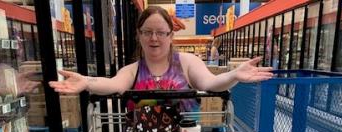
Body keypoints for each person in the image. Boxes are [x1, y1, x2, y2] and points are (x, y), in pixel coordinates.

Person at [49, 6, 273, 111]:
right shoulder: (131, 70)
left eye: (161, 32)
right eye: (147, 32)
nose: (154, 38)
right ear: (139, 35)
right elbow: (112, 84)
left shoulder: (187, 63)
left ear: (170, 35)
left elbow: (210, 83)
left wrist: (234, 74)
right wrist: (87, 82)